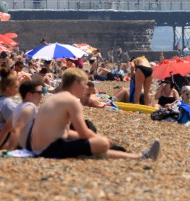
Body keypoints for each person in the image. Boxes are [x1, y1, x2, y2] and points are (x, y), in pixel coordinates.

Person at [30, 68, 160, 160]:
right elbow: (83, 133)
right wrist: (103, 140)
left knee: (95, 147)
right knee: (101, 144)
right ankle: (138, 156)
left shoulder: (55, 98)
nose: (87, 88)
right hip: (48, 149)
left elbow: (66, 132)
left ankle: (140, 157)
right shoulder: (71, 101)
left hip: (38, 148)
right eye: (84, 84)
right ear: (76, 83)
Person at [0, 80, 43, 152]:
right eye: (39, 92)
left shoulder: (18, 108)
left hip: (21, 146)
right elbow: (16, 130)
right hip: (27, 148)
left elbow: (5, 129)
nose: (42, 95)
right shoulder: (30, 108)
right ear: (29, 95)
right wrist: (10, 152)